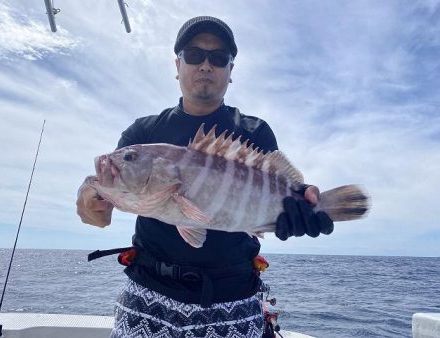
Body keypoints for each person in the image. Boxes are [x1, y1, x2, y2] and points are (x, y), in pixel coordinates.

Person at [76, 16, 334, 338]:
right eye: (195, 55)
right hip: (146, 295)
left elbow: (287, 188)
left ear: (230, 71)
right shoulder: (143, 132)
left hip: (234, 299)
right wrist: (91, 200)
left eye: (218, 58)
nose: (206, 65)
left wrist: (304, 206)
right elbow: (96, 216)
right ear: (178, 64)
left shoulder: (254, 132)